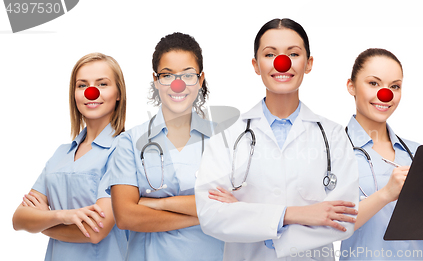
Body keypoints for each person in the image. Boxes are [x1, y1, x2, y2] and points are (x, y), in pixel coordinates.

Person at [195, 18, 359, 260]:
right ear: (256, 65)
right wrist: (293, 214)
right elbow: (211, 216)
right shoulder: (228, 135)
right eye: (270, 55)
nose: (282, 64)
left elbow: (343, 220)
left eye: (293, 54)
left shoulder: (333, 136)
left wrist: (245, 213)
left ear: (308, 63)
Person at [340, 48, 423, 260]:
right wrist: (385, 194)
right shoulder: (332, 151)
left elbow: (419, 239)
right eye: (373, 83)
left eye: (394, 86)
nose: (386, 94)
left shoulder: (417, 153)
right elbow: (330, 227)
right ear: (351, 86)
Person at [108, 32, 224, 261]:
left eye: (188, 75)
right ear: (156, 80)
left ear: (200, 80)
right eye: (167, 75)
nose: (178, 85)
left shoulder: (223, 140)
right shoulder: (130, 142)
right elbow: (125, 216)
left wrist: (157, 204)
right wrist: (202, 216)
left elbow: (233, 208)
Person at [12, 52, 128, 261]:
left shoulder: (123, 151)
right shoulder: (60, 154)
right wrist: (62, 216)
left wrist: (42, 224)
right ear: (74, 94)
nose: (91, 92)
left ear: (118, 93)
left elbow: (95, 231)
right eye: (82, 85)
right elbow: (19, 219)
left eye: (102, 84)